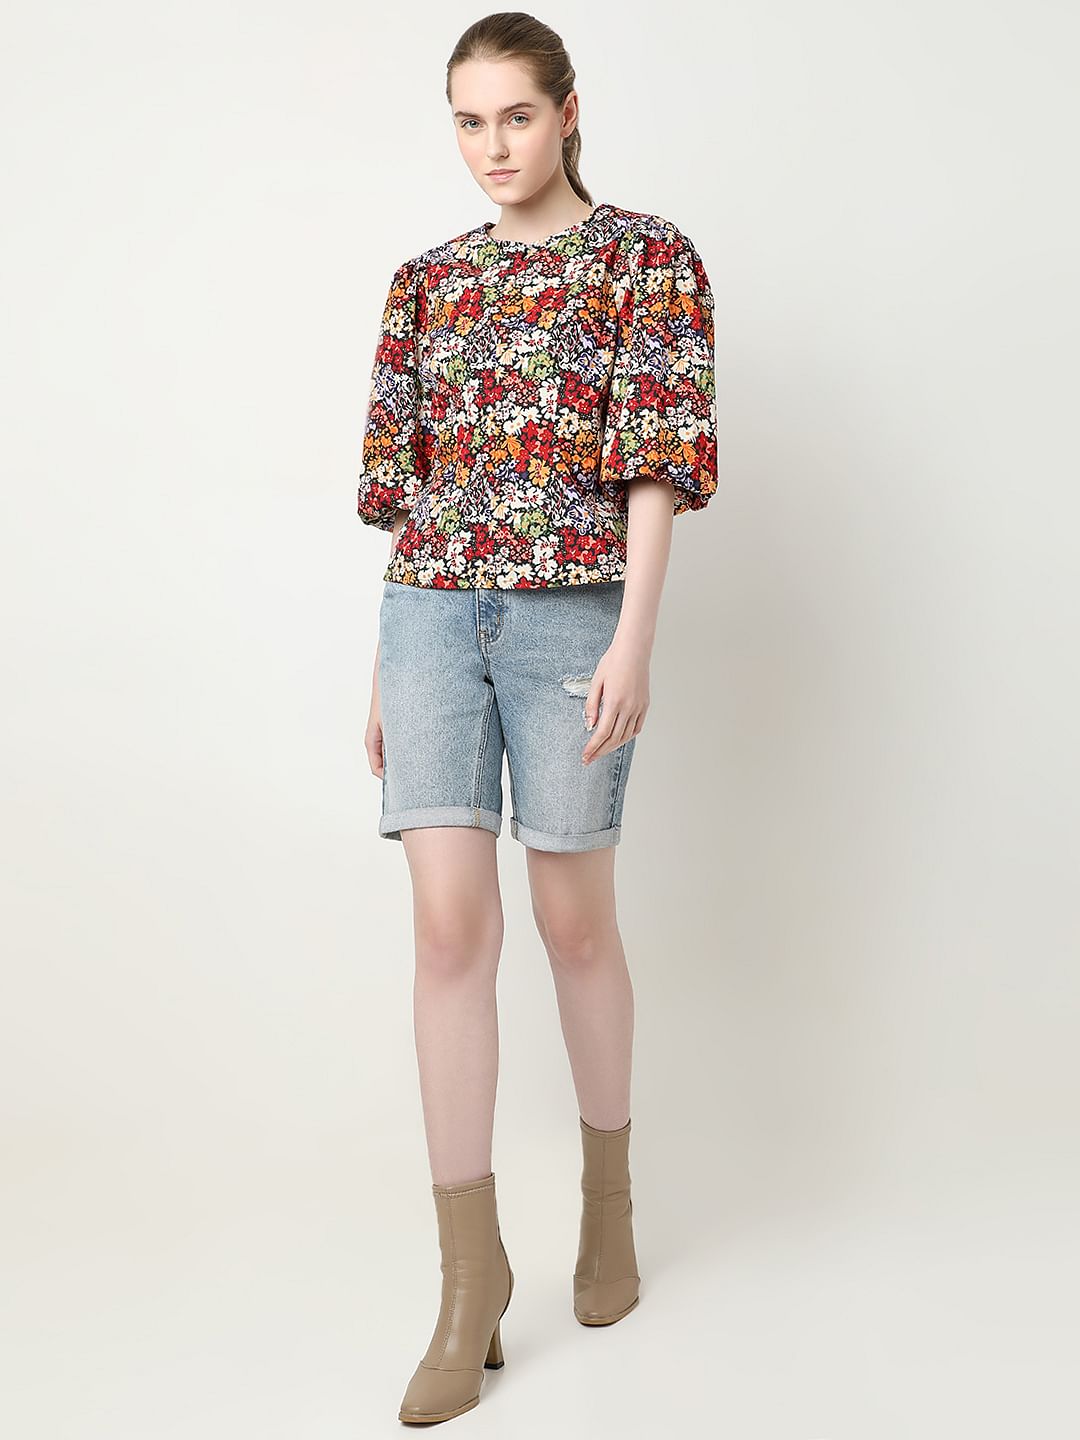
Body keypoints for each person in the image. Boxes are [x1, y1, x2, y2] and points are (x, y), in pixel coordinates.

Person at [356, 13, 717, 1426]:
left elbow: (657, 462)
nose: (492, 146)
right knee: (450, 933)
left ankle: (607, 1207)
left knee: (574, 924)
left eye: (515, 115)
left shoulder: (646, 259)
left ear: (569, 111)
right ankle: (471, 1279)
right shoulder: (425, 284)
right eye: (468, 120)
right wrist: (385, 667)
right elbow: (411, 490)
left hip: (575, 621)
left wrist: (635, 634)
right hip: (429, 618)